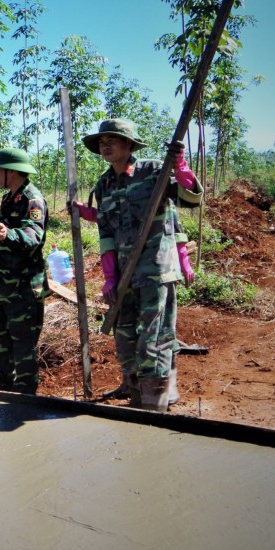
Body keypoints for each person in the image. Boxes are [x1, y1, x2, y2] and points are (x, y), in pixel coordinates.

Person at [79, 118, 202, 412]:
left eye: (112, 140)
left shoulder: (153, 172)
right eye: (101, 142)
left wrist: (180, 166)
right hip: (124, 274)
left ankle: (153, 402)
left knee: (154, 335)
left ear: (129, 145)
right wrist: (109, 276)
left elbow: (189, 200)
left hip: (156, 268)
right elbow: (106, 230)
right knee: (124, 337)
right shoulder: (104, 184)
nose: (105, 146)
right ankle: (141, 389)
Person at [0, 148, 48, 394]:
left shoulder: (33, 200)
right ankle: (5, 381)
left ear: (12, 171)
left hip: (23, 285)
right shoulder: (9, 198)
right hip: (3, 283)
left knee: (22, 340)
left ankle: (25, 390)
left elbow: (34, 236)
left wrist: (7, 233)